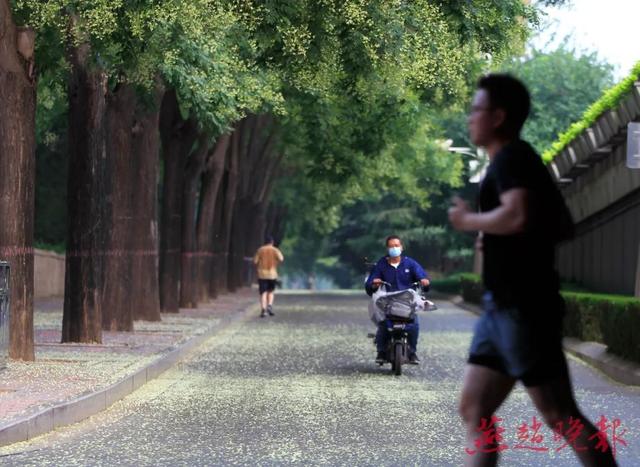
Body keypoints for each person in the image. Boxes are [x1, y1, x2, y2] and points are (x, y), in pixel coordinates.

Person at [448, 73, 617, 466]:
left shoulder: (512, 159)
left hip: (523, 310)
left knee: (561, 416)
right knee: (475, 409)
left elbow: (519, 214)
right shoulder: (515, 163)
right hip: (500, 309)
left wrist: (470, 222)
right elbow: (558, 225)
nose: (470, 117)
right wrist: (495, 237)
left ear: (499, 116)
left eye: (477, 110)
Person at [365, 235, 430, 364]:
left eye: (396, 245)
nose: (394, 248)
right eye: (391, 246)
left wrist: (424, 281)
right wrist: (374, 283)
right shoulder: (381, 264)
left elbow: (423, 278)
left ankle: (412, 353)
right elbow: (370, 284)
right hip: (387, 301)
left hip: (407, 301)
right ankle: (381, 352)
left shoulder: (411, 264)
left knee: (414, 325)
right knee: (383, 324)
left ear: (401, 247)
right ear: (387, 248)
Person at [253, 235, 284, 318]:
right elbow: (281, 259)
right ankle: (269, 306)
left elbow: (255, 261)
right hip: (272, 274)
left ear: (265, 242)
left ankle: (263, 309)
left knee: (263, 292)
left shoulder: (260, 250)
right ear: (272, 242)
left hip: (262, 275)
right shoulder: (275, 250)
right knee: (271, 291)